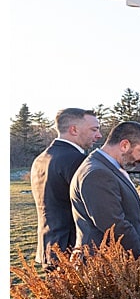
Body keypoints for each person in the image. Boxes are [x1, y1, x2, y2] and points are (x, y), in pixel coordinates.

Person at [30, 108, 103, 268]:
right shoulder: (78, 161)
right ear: (74, 129)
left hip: (48, 248)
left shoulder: (40, 160)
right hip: (73, 251)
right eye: (94, 129)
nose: (99, 135)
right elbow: (93, 208)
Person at [69, 121, 140, 258]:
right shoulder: (97, 174)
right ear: (124, 145)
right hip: (103, 266)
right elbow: (114, 225)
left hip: (113, 264)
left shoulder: (107, 168)